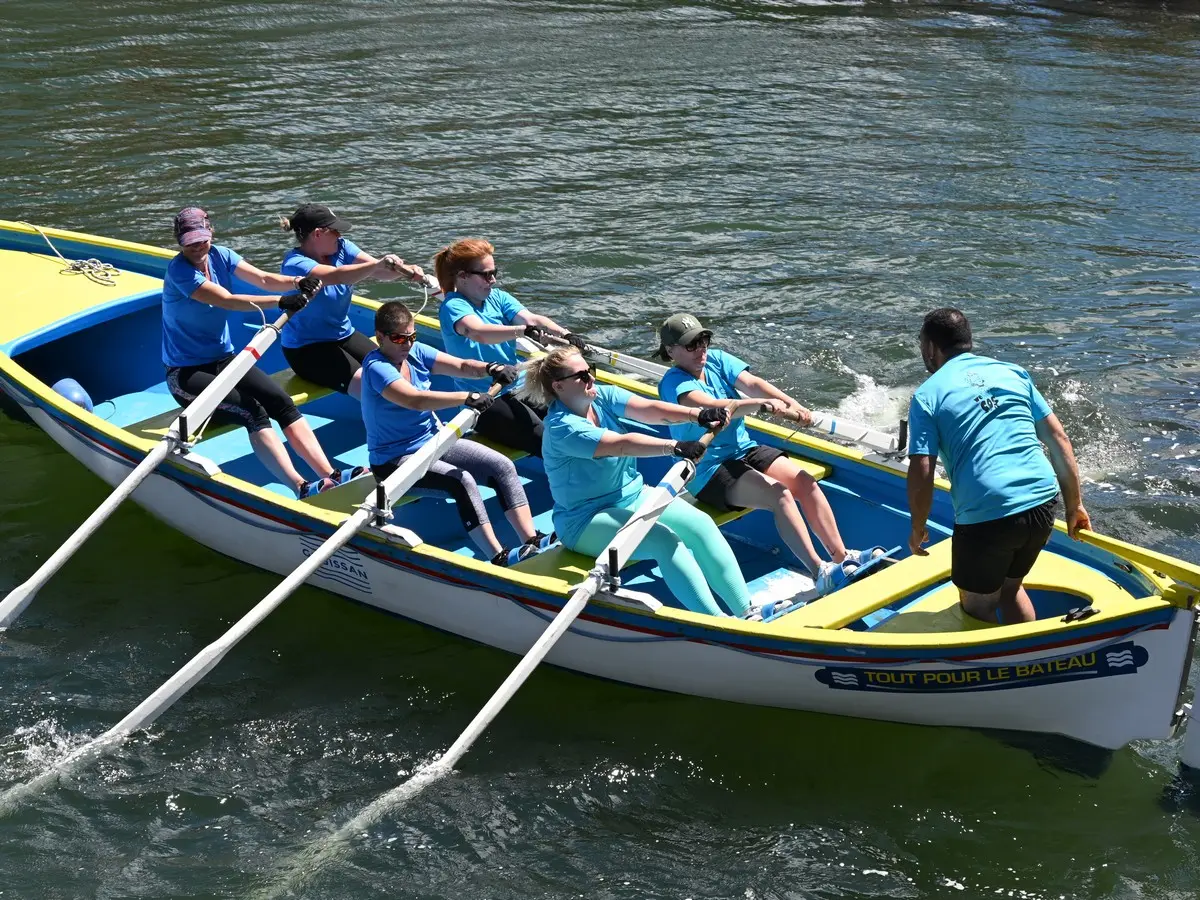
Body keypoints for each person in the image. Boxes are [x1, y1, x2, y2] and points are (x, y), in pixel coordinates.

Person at [518, 346, 756, 619]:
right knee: (663, 541)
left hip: (632, 495)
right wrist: (674, 446)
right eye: (582, 376)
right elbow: (620, 445)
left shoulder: (601, 396)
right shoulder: (563, 428)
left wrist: (698, 415)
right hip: (584, 519)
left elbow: (649, 409)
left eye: (591, 370)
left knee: (701, 524)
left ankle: (748, 611)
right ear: (559, 386)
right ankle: (719, 624)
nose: (591, 379)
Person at [655, 313, 868, 595]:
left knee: (805, 482)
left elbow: (753, 384)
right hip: (708, 468)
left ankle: (841, 557)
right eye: (691, 345)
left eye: (703, 340)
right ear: (670, 351)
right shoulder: (673, 383)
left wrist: (793, 405)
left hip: (743, 449)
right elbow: (714, 406)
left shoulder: (716, 359)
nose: (701, 349)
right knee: (779, 495)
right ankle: (820, 572)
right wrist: (760, 404)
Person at [906, 307, 1091, 624]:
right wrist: (1075, 505)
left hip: (989, 514)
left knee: (978, 606)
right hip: (1044, 503)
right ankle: (1035, 659)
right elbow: (1059, 438)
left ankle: (1003, 669)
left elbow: (922, 469)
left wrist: (918, 525)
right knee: (1009, 588)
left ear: (931, 348)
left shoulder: (927, 395)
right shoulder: (1012, 372)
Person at [162, 207, 363, 498]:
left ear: (210, 233)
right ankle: (301, 487)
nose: (197, 246)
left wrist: (297, 282)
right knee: (252, 411)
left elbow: (263, 279)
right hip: (185, 374)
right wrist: (282, 301)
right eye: (189, 241)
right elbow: (227, 300)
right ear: (179, 241)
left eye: (201, 239)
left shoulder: (222, 255)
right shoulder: (179, 271)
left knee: (281, 403)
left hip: (225, 360)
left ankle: (330, 475)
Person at [361, 301, 547, 565]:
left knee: (501, 465)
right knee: (463, 481)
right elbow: (415, 400)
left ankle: (532, 539)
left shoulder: (416, 352)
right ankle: (498, 556)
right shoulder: (377, 367)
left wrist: (490, 368)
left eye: (411, 336)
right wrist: (466, 397)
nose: (407, 344)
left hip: (433, 442)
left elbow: (461, 366)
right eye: (399, 338)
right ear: (380, 337)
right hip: (394, 461)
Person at [434, 238, 588, 457]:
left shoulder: (497, 297)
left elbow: (531, 318)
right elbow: (479, 332)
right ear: (462, 276)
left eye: (494, 272)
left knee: (573, 419)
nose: (493, 280)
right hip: (486, 398)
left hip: (517, 383)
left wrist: (565, 334)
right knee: (545, 439)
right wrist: (522, 331)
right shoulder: (453, 306)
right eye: (486, 275)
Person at [278, 203, 429, 399]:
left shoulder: (342, 247)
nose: (339, 235)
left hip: (343, 335)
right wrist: (376, 264)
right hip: (306, 348)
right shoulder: (295, 264)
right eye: (335, 231)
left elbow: (380, 272)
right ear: (317, 234)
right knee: (368, 386)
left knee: (396, 369)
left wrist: (405, 270)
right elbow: (337, 276)